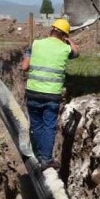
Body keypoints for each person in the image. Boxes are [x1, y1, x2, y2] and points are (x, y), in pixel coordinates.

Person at [21, 17, 79, 169]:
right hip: (51, 95)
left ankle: (39, 154)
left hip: (33, 92)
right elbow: (77, 52)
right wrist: (68, 40)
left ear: (51, 30)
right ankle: (46, 159)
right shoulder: (65, 48)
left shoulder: (36, 44)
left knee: (37, 125)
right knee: (49, 126)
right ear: (64, 35)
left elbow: (24, 67)